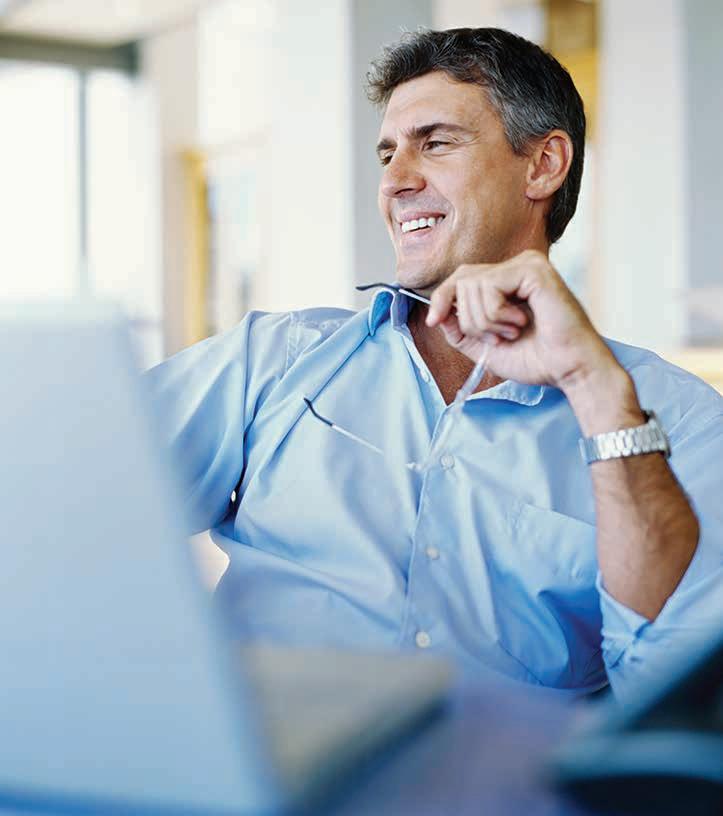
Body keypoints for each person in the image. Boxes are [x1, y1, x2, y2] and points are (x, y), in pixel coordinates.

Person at [147, 28, 723, 699]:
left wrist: (594, 391)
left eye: (436, 142)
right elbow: (73, 500)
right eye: (388, 153)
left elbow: (677, 697)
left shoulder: (679, 420)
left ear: (543, 165)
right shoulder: (271, 361)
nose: (395, 181)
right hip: (261, 754)